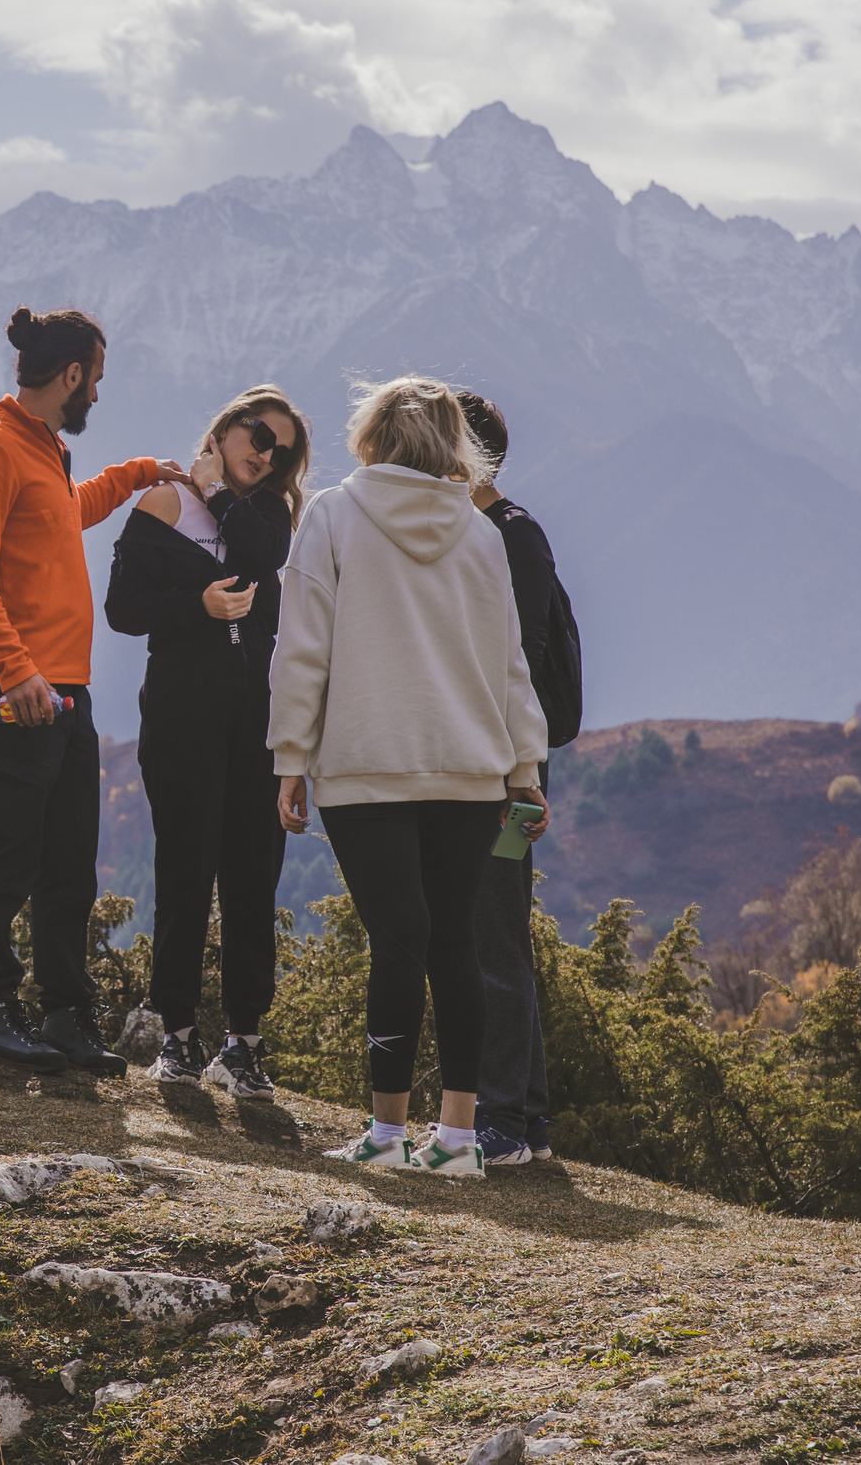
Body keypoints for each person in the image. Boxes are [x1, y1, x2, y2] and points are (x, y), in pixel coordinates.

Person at [268, 376, 549, 1179]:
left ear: (373, 435)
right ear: (451, 446)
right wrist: (523, 767)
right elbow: (510, 666)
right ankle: (458, 1138)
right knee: (454, 941)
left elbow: (302, 650)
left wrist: (291, 756)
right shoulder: (479, 532)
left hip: (366, 764)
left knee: (397, 939)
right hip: (470, 769)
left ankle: (385, 1132)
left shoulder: (331, 516)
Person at [0, 306, 183, 1074]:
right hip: (16, 692)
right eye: (97, 381)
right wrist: (16, 670)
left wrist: (140, 473)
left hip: (64, 690)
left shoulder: (41, 447)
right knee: (10, 852)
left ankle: (64, 1016)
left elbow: (63, 516)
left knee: (70, 860)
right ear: (72, 374)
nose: (97, 397)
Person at [105, 385, 312, 1097]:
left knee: (254, 875)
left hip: (257, 724)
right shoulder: (164, 503)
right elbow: (122, 608)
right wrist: (195, 605)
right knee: (186, 872)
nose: (266, 451)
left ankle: (245, 1041)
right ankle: (179, 1035)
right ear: (224, 427)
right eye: (257, 433)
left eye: (280, 450)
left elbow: (257, 554)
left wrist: (217, 489)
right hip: (181, 718)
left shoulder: (271, 517)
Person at [456, 391, 580, 1164]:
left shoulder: (511, 538)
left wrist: (515, 775)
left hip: (508, 777)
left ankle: (501, 1117)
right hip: (497, 769)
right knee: (496, 932)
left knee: (492, 934)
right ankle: (526, 1119)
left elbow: (524, 666)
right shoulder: (489, 534)